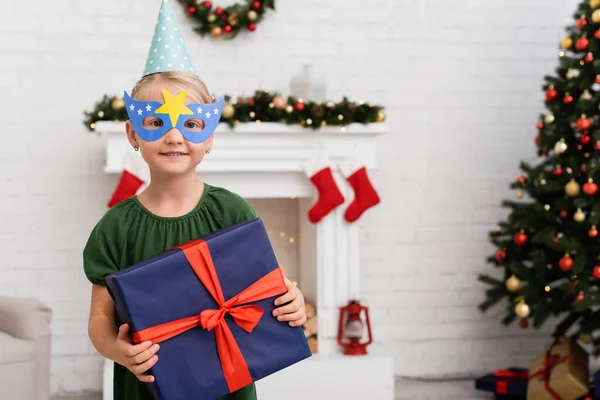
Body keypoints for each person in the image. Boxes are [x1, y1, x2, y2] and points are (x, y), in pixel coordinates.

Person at [82, 1, 307, 399]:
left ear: (210, 137)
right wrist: (118, 350)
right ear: (133, 135)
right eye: (155, 122)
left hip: (228, 377)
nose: (174, 136)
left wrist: (293, 301)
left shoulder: (232, 211)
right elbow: (100, 316)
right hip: (150, 384)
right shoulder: (115, 228)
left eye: (191, 124)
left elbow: (268, 287)